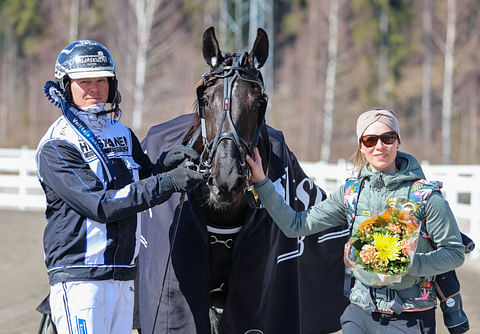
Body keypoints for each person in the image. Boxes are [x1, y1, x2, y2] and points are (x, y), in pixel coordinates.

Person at [35, 40, 204, 334]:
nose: (94, 89)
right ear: (66, 85)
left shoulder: (122, 133)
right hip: (81, 279)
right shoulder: (57, 144)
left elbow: (138, 181)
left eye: (101, 80)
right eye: (84, 81)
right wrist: (166, 183)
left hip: (124, 277)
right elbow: (101, 204)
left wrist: (162, 166)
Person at [246, 108, 465, 333]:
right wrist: (263, 183)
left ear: (398, 141)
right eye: (370, 140)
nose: (379, 146)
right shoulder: (351, 193)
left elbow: (455, 252)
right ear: (361, 145)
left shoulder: (427, 197)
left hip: (410, 317)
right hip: (359, 314)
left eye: (388, 138)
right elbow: (296, 225)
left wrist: (408, 263)